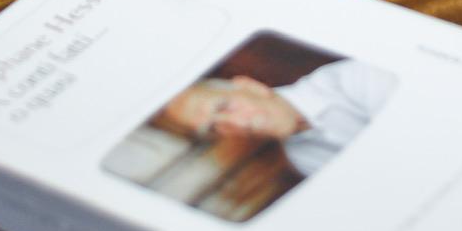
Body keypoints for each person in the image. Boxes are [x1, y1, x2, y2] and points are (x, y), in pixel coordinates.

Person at [157, 56, 394, 178]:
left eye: (224, 107)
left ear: (250, 87)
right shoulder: (301, 156)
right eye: (213, 128)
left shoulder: (352, 78)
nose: (237, 124)